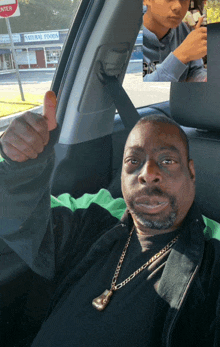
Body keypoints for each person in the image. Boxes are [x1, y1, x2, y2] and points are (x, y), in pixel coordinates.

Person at [0, 91, 220, 347]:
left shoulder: (211, 265)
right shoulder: (93, 220)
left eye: (167, 160)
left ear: (191, 172)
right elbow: (22, 221)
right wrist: (20, 167)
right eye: (133, 161)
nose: (148, 174)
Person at [143, 0, 207, 82]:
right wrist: (181, 55)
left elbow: (195, 71)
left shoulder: (183, 29)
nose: (178, 6)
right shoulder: (131, 36)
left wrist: (204, 79)